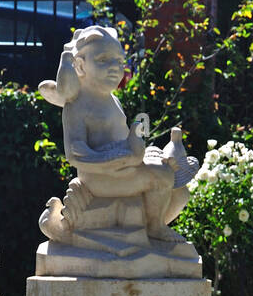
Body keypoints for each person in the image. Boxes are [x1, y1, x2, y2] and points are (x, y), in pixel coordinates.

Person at [38, 25, 190, 241]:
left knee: (181, 192)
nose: (115, 68)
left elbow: (122, 140)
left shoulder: (112, 100)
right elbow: (75, 154)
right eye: (103, 60)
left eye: (119, 62)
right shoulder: (77, 105)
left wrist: (144, 151)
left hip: (122, 168)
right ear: (80, 65)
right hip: (98, 177)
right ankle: (154, 226)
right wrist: (116, 159)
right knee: (162, 176)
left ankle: (151, 226)